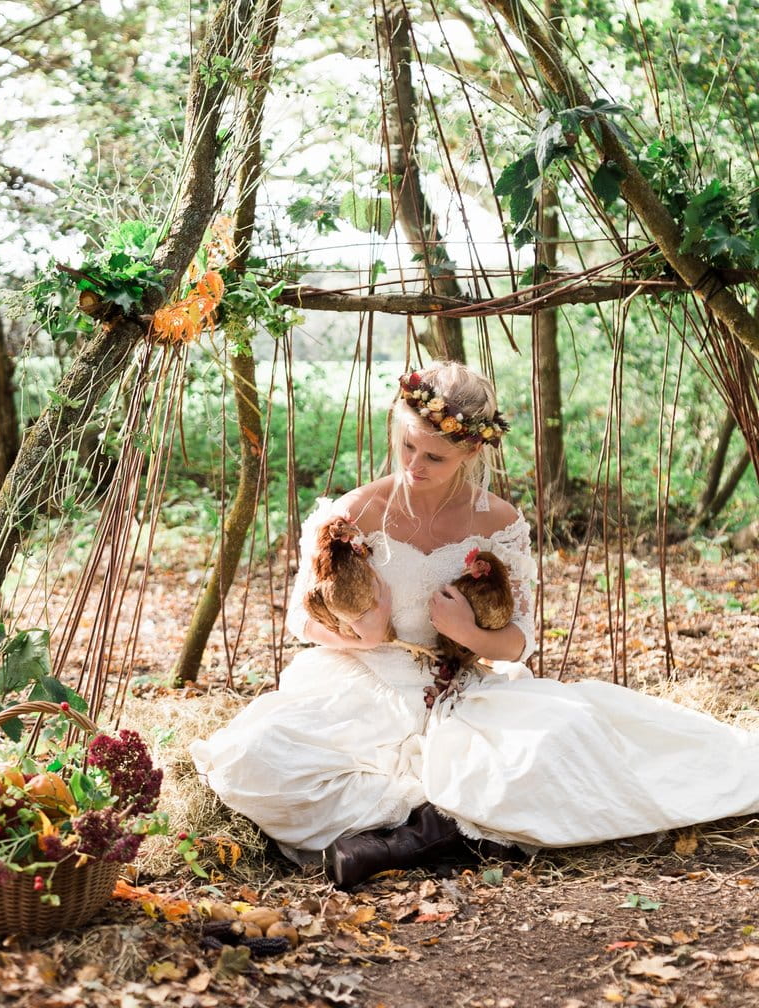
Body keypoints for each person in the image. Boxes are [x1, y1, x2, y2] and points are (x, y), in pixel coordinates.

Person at [191, 361, 759, 888]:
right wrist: (362, 634)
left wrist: (468, 632)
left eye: (434, 458)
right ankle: (443, 822)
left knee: (563, 741)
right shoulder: (354, 513)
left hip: (463, 687)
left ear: (470, 452)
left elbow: (518, 643)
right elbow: (302, 620)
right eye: (408, 446)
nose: (414, 466)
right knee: (256, 757)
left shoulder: (497, 521)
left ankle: (413, 836)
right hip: (362, 682)